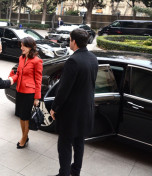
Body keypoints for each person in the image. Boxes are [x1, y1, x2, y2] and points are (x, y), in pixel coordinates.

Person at [50, 28, 98, 176]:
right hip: (86, 110)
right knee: (79, 143)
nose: (69, 42)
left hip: (71, 113)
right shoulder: (93, 58)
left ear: (74, 42)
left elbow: (63, 89)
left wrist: (54, 108)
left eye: (70, 39)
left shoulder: (73, 61)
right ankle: (75, 171)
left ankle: (64, 173)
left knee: (64, 144)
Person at [9, 37, 43, 149]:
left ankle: (24, 138)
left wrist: (37, 97)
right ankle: (25, 136)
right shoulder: (21, 58)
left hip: (29, 93)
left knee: (25, 117)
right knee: (20, 115)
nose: (21, 47)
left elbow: (38, 80)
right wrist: (11, 79)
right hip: (19, 90)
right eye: (21, 45)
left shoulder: (37, 61)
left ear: (30, 47)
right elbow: (18, 74)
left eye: (24, 45)